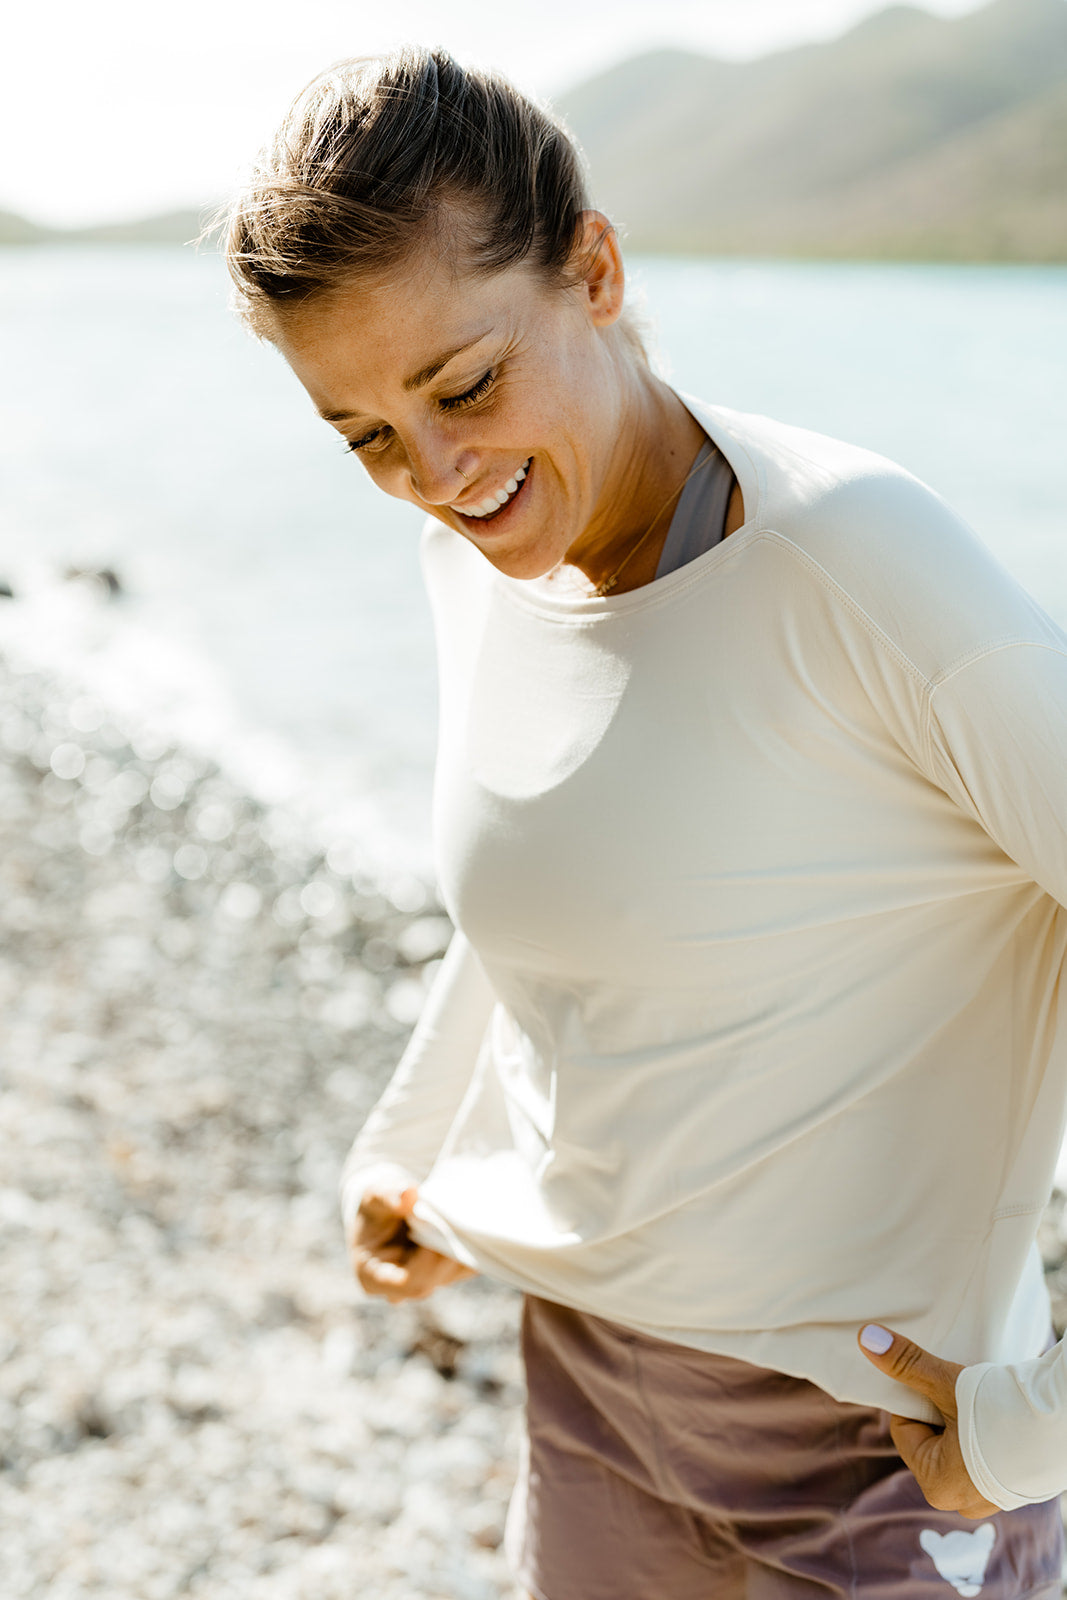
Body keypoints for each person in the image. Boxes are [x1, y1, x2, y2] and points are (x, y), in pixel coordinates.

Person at [222, 46, 1067, 1599]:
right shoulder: (482, 559)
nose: (441, 475)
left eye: (465, 385)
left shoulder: (864, 567)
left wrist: (1039, 1425)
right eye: (367, 440)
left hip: (880, 1460)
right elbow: (562, 890)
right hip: (590, 1394)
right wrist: (413, 1150)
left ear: (595, 269)